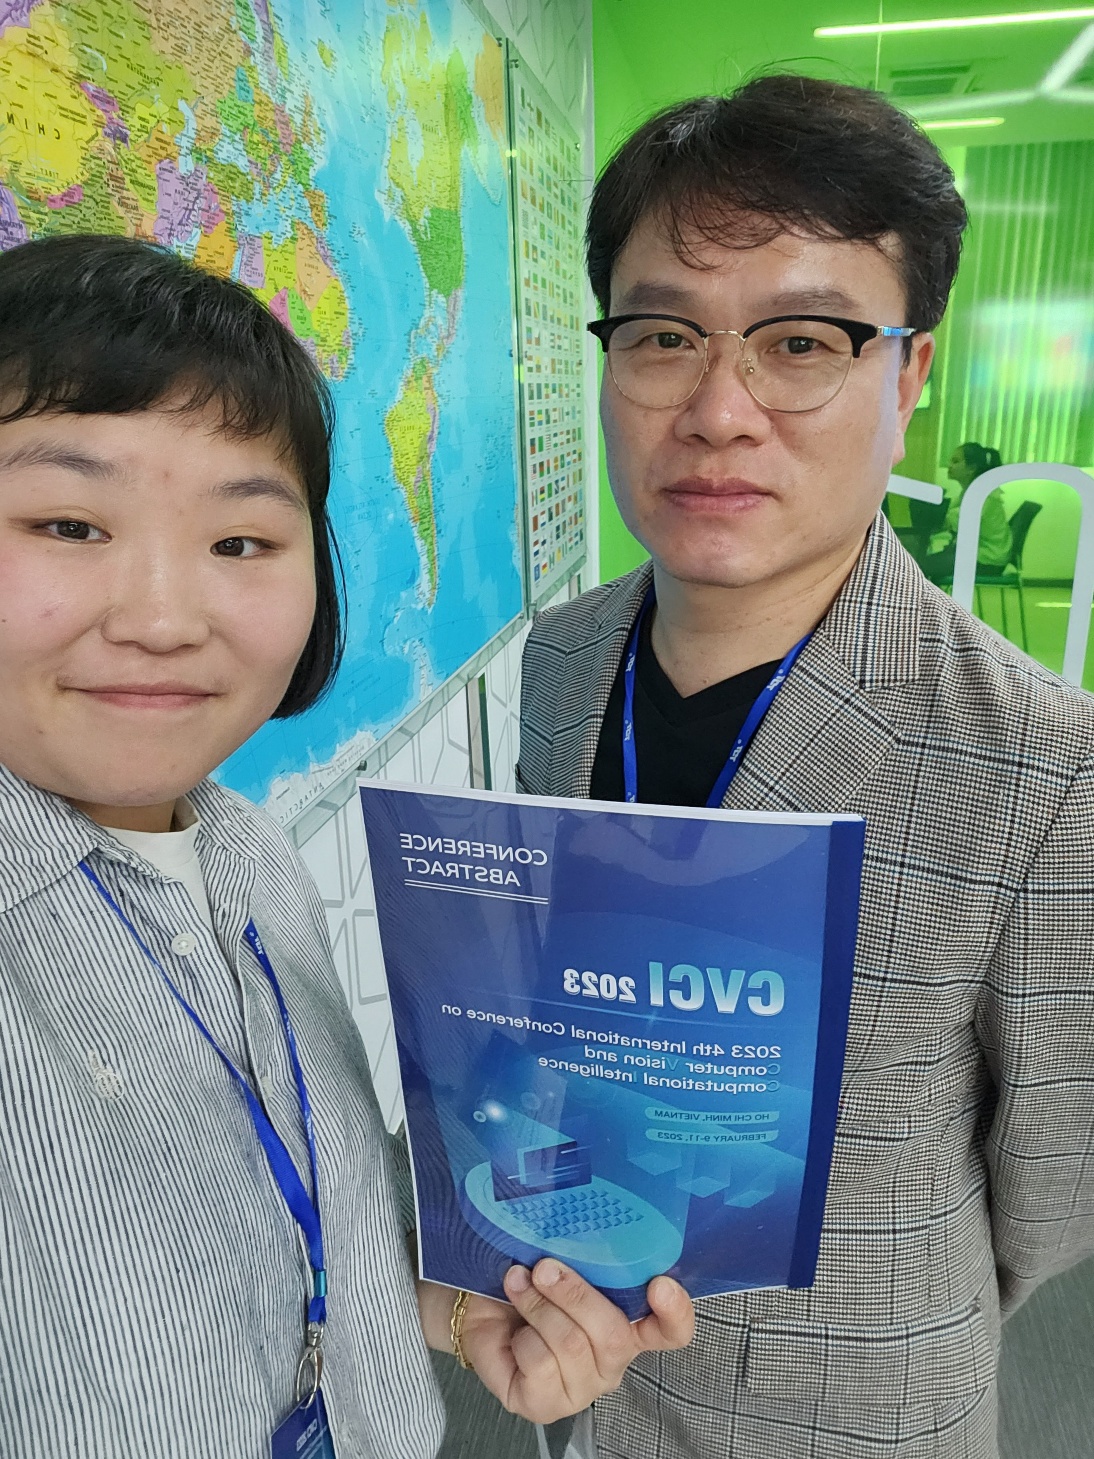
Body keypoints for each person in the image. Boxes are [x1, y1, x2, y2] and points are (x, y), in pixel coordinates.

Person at [0, 233, 693, 1458]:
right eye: (67, 523)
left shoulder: (252, 856)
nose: (163, 617)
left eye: (240, 542)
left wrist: (444, 1309)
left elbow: (290, 1213)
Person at [518, 74, 1094, 1459]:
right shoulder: (562, 656)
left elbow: (1056, 1175)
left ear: (907, 374)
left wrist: (871, 1294)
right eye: (663, 335)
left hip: (851, 1409)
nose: (718, 409)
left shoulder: (1042, 759)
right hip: (580, 1357)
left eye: (800, 342)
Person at [920, 442, 1011, 584]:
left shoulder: (982, 494)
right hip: (977, 556)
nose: (949, 465)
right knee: (920, 564)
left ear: (972, 468)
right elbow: (951, 516)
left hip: (986, 561)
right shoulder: (972, 490)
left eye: (955, 461)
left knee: (917, 566)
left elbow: (950, 521)